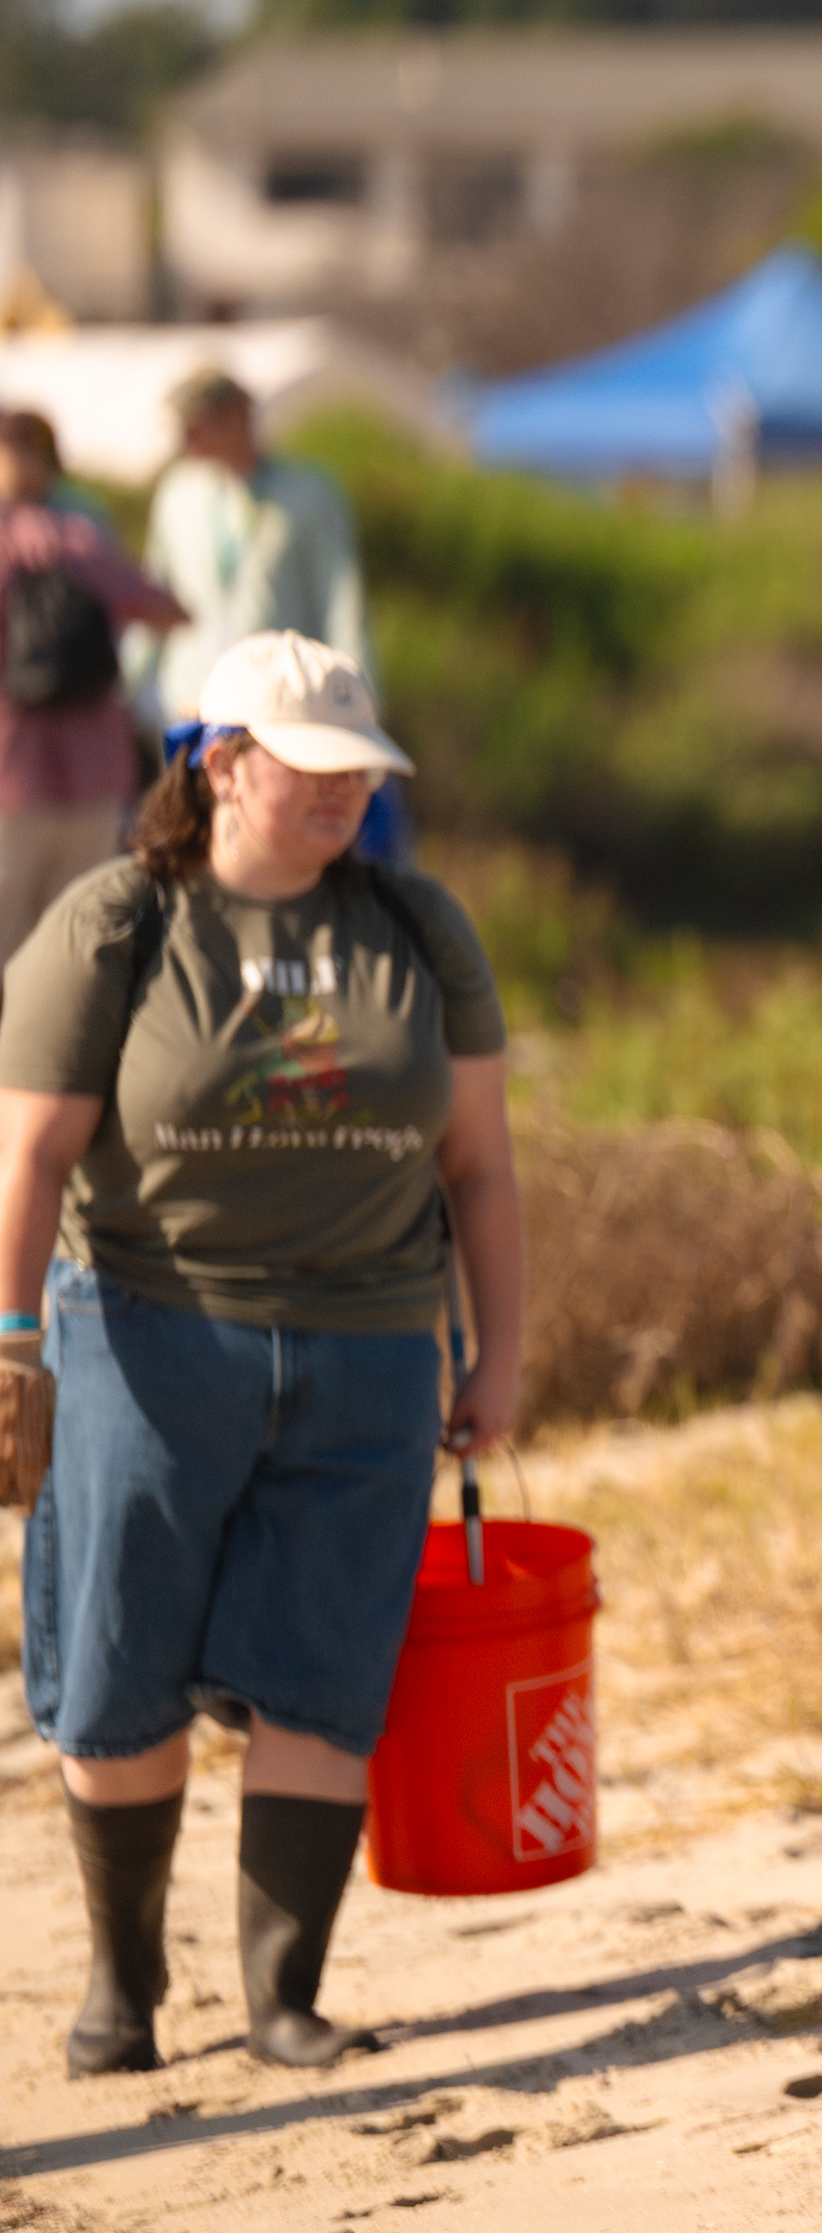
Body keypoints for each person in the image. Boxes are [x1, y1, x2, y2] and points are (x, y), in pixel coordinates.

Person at [0, 630, 525, 2076]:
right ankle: (123, 1992)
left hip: (367, 1349)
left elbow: (479, 1165)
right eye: (313, 769)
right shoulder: (114, 924)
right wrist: (10, 1345)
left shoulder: (417, 927)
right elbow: (30, 1155)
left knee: (321, 1671)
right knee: (118, 1671)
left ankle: (284, 2001)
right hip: (148, 1337)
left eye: (363, 772)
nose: (345, 795)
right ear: (221, 763)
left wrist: (499, 1354)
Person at [0, 410, 190, 964]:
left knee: (24, 932)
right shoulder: (86, 531)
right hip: (84, 766)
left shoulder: (57, 533)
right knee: (75, 934)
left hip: (22, 769)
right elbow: (165, 609)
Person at [132, 370, 371, 728]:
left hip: (280, 699)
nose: (186, 438)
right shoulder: (177, 493)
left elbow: (340, 602)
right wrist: (129, 684)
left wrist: (361, 700)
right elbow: (154, 591)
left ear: (239, 416)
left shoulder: (308, 495)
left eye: (197, 424)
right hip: (190, 696)